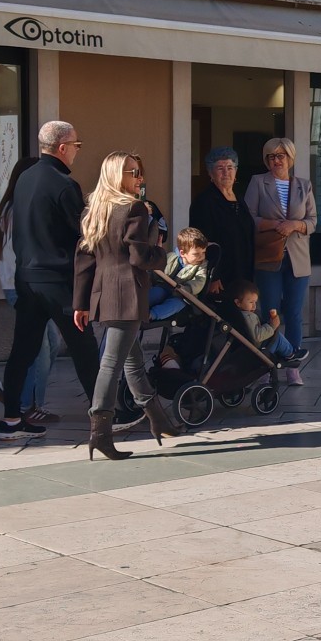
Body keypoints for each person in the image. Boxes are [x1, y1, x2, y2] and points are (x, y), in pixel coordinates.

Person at [0, 121, 101, 442]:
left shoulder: (25, 179)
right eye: (76, 145)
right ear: (62, 148)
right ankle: (104, 419)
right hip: (58, 281)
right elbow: (85, 235)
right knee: (84, 349)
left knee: (22, 350)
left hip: (26, 278)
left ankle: (10, 420)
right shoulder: (64, 185)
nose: (77, 151)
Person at [73, 152, 177, 461]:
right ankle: (100, 433)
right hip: (128, 293)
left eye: (139, 171)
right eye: (133, 172)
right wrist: (162, 254)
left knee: (132, 361)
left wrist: (81, 302)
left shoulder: (94, 209)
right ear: (116, 175)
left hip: (105, 293)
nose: (139, 178)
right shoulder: (134, 208)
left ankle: (159, 420)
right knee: (112, 364)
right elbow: (139, 257)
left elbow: (84, 259)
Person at [245, 137, 315, 386]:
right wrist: (274, 224)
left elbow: (312, 221)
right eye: (272, 156)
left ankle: (293, 365)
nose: (276, 160)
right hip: (268, 258)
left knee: (294, 314)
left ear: (290, 158)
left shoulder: (304, 185)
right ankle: (266, 363)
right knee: (269, 311)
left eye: (281, 156)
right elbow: (248, 218)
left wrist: (294, 225)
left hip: (297, 259)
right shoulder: (258, 182)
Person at [0, 157, 57, 429]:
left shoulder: (12, 206)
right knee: (38, 350)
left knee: (49, 343)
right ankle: (27, 406)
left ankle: (8, 388)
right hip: (22, 286)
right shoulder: (18, 208)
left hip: (24, 285)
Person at [188, 148, 256, 298]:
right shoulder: (204, 202)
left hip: (243, 270)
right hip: (220, 277)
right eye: (220, 168)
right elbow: (200, 242)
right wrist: (214, 276)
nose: (226, 172)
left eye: (230, 167)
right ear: (210, 173)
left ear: (236, 171)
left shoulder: (239, 198)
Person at [222, 277, 299, 365]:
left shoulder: (234, 314)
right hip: (258, 349)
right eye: (251, 302)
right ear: (238, 302)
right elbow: (257, 336)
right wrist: (272, 326)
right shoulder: (248, 317)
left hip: (245, 348)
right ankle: (290, 354)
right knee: (277, 338)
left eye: (255, 302)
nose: (254, 306)